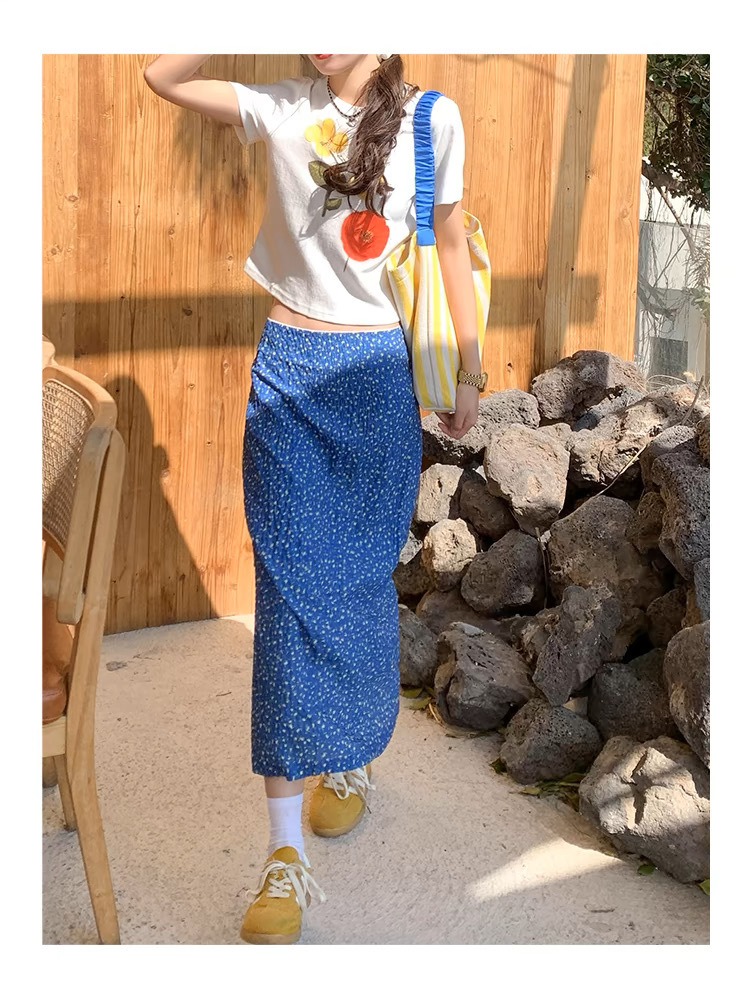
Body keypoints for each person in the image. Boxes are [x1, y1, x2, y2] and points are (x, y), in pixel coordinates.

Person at [143, 53, 486, 944]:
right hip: (289, 375)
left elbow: (450, 242)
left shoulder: (432, 120)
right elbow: (162, 77)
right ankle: (283, 852)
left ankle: (351, 757)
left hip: (377, 375)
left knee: (362, 584)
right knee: (290, 599)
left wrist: (469, 366)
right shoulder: (281, 109)